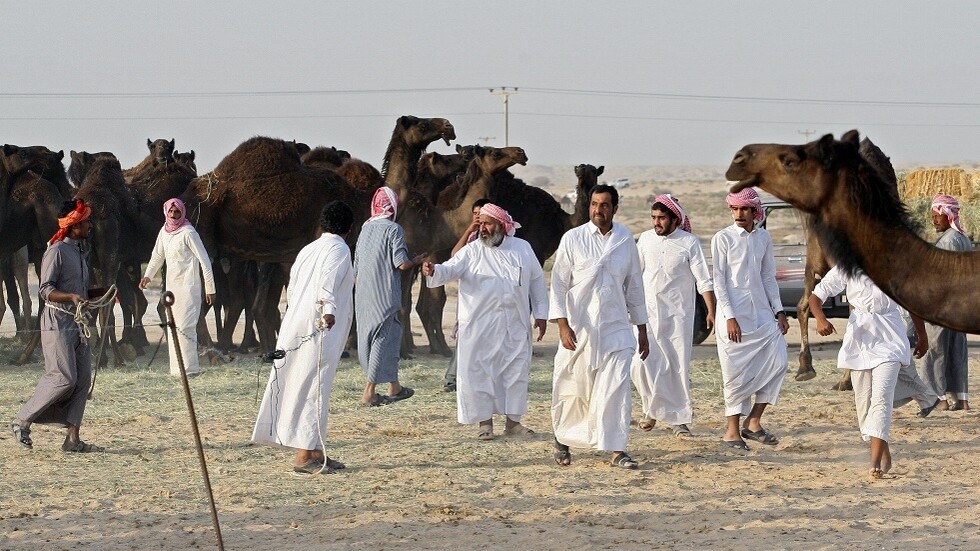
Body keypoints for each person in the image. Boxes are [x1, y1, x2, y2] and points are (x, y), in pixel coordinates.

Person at [422, 203, 548, 439]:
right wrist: (434, 270)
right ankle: (485, 424)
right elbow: (449, 269)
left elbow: (537, 281)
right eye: (480, 224)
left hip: (514, 326)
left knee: (516, 374)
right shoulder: (472, 251)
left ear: (501, 225)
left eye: (488, 224)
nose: (483, 229)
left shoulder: (522, 248)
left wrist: (541, 314)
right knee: (480, 375)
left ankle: (513, 424)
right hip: (480, 327)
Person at [252, 201, 356, 474]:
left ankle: (316, 451)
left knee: (310, 385)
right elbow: (327, 283)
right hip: (319, 327)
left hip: (297, 323)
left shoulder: (308, 249)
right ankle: (303, 457)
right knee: (314, 388)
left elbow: (294, 287)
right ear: (349, 228)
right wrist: (329, 311)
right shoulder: (339, 249)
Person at [550, 184, 649, 469]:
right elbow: (558, 284)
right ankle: (563, 438)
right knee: (574, 387)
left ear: (614, 208)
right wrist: (562, 325)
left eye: (604, 205)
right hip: (579, 329)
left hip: (616, 328)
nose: (598, 210)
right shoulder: (573, 238)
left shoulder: (625, 240)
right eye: (594, 204)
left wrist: (642, 330)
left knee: (616, 389)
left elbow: (634, 287)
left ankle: (617, 450)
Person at [810, 266, 928, 479]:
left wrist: (922, 335)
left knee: (881, 399)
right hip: (860, 338)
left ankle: (874, 462)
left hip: (891, 337)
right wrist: (820, 319)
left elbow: (911, 301)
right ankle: (884, 452)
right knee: (864, 404)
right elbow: (816, 296)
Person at [10, 199, 104, 453]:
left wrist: (103, 292)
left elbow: (79, 292)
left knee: (82, 380)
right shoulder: (56, 251)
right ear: (74, 225)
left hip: (76, 322)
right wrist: (71, 297)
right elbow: (45, 290)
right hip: (57, 322)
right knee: (64, 378)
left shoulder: (79, 252)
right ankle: (22, 419)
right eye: (86, 221)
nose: (90, 225)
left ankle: (72, 439)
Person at [711, 187, 790, 451]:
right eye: (735, 209)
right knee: (736, 374)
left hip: (762, 313)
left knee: (778, 361)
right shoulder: (722, 238)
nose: (739, 214)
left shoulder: (763, 237)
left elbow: (768, 276)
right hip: (733, 316)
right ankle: (731, 432)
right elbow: (719, 281)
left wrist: (779, 311)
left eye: (744, 209)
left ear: (754, 211)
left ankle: (753, 421)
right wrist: (729, 317)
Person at [631, 194, 715, 437]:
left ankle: (679, 420)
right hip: (647, 314)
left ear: (675, 219)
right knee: (640, 365)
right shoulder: (645, 239)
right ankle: (651, 408)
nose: (656, 222)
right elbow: (634, 275)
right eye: (653, 218)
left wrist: (711, 310)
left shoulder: (689, 242)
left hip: (678, 315)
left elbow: (703, 280)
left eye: (661, 218)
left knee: (676, 367)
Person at [354, 186, 425, 407]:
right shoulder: (394, 230)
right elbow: (401, 263)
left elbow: (356, 266)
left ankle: (394, 386)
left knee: (386, 336)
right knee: (382, 339)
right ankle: (369, 392)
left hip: (363, 294)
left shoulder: (365, 229)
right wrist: (416, 260)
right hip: (384, 294)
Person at [139, 198, 216, 377]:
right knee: (173, 326)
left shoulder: (188, 232)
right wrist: (148, 276)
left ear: (182, 213)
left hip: (189, 287)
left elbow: (204, 260)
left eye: (177, 212)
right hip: (172, 288)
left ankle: (190, 370)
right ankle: (177, 371)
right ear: (166, 212)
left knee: (186, 326)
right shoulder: (164, 232)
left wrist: (210, 288)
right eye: (171, 211)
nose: (174, 215)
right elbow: (157, 255)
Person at [919, 194, 971, 411]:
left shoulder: (949, 241)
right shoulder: (963, 238)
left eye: (937, 216)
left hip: (943, 305)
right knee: (956, 351)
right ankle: (962, 400)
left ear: (947, 215)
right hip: (960, 306)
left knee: (935, 351)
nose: (934, 221)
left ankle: (938, 399)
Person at [443, 198, 491, 392]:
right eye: (475, 214)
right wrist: (469, 230)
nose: (478, 217)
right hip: (470, 298)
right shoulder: (472, 237)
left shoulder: (496, 239)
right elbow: (455, 255)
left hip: (489, 297)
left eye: (481, 213)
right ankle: (452, 379)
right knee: (466, 336)